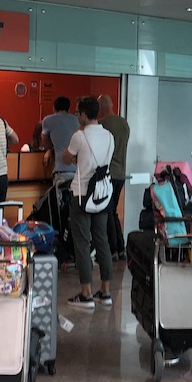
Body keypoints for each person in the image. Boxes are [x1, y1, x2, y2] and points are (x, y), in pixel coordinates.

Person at [64, 96, 116, 309]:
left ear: (84, 114)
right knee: (102, 240)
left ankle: (85, 294)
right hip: (103, 194)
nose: (77, 115)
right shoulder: (110, 136)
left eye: (78, 112)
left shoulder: (80, 136)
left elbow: (66, 158)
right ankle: (105, 291)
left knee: (83, 243)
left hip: (81, 195)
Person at [97, 94, 130, 261]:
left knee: (107, 212)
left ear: (101, 107)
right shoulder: (124, 123)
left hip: (109, 173)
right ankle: (120, 248)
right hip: (121, 173)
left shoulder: (103, 124)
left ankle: (113, 249)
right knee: (113, 211)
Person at [40, 96, 80, 184]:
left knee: (60, 197)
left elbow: (45, 142)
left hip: (61, 170)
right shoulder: (77, 120)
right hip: (77, 170)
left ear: (54, 108)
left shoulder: (48, 120)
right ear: (69, 109)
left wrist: (49, 150)